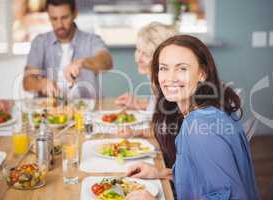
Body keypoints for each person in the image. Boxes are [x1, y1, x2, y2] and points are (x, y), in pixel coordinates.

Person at [125, 35, 260, 200]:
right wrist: (161, 173)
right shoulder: (207, 111)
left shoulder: (200, 127)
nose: (170, 77)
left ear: (202, 73)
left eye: (182, 68)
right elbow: (200, 176)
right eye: (164, 68)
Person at [23, 0, 112, 99]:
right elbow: (27, 82)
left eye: (64, 17)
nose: (59, 25)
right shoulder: (40, 42)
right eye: (54, 19)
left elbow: (107, 62)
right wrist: (42, 84)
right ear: (48, 16)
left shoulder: (91, 40)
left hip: (89, 109)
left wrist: (81, 63)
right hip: (50, 110)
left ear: (75, 14)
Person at [115, 22, 177, 111]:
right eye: (138, 50)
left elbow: (167, 118)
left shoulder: (170, 84)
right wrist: (138, 104)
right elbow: (160, 106)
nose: (138, 59)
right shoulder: (156, 79)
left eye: (146, 54)